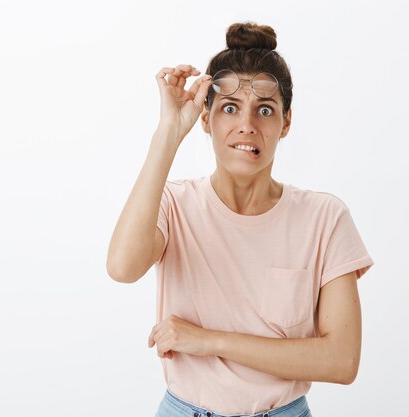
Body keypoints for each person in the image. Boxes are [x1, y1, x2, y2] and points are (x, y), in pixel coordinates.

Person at [106, 21, 374, 417]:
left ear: (285, 122)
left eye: (264, 110)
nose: (247, 124)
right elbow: (122, 268)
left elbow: (340, 361)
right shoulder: (174, 204)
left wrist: (208, 341)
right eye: (229, 108)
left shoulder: (325, 218)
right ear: (206, 118)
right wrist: (168, 131)